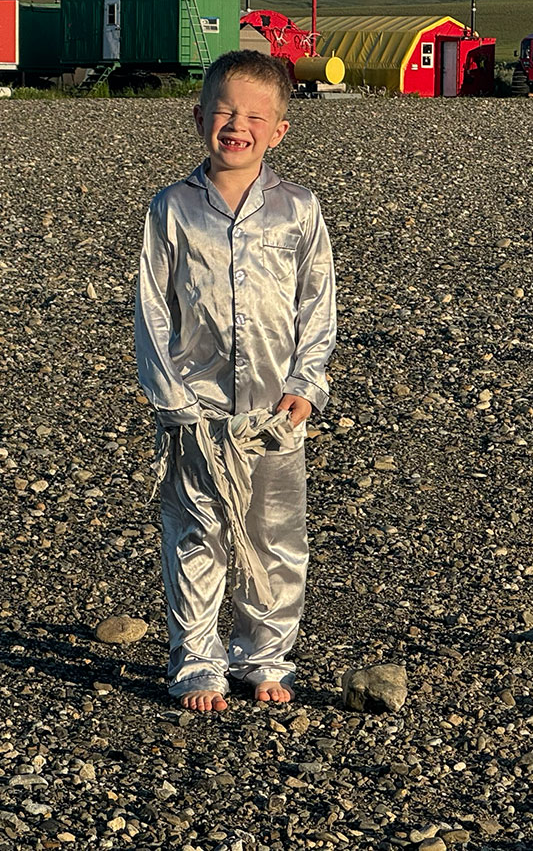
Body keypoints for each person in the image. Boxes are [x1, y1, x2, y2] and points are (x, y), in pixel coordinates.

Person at [133, 50, 336, 711]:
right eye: (223, 111)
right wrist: (173, 401)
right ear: (198, 116)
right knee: (196, 536)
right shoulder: (171, 209)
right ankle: (197, 662)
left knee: (275, 537)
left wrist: (308, 381)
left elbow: (317, 302)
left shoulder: (299, 210)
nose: (236, 125)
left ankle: (264, 657)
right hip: (198, 414)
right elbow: (152, 307)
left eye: (254, 115)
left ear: (279, 130)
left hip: (275, 414)